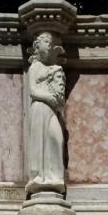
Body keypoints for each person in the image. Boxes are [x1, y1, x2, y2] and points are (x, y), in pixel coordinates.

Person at [25, 32, 66, 196]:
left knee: (57, 138)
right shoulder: (35, 67)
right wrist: (50, 97)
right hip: (40, 107)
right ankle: (39, 177)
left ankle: (54, 176)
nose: (49, 45)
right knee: (39, 141)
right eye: (46, 42)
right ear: (37, 46)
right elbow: (33, 91)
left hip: (50, 109)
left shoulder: (53, 68)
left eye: (51, 42)